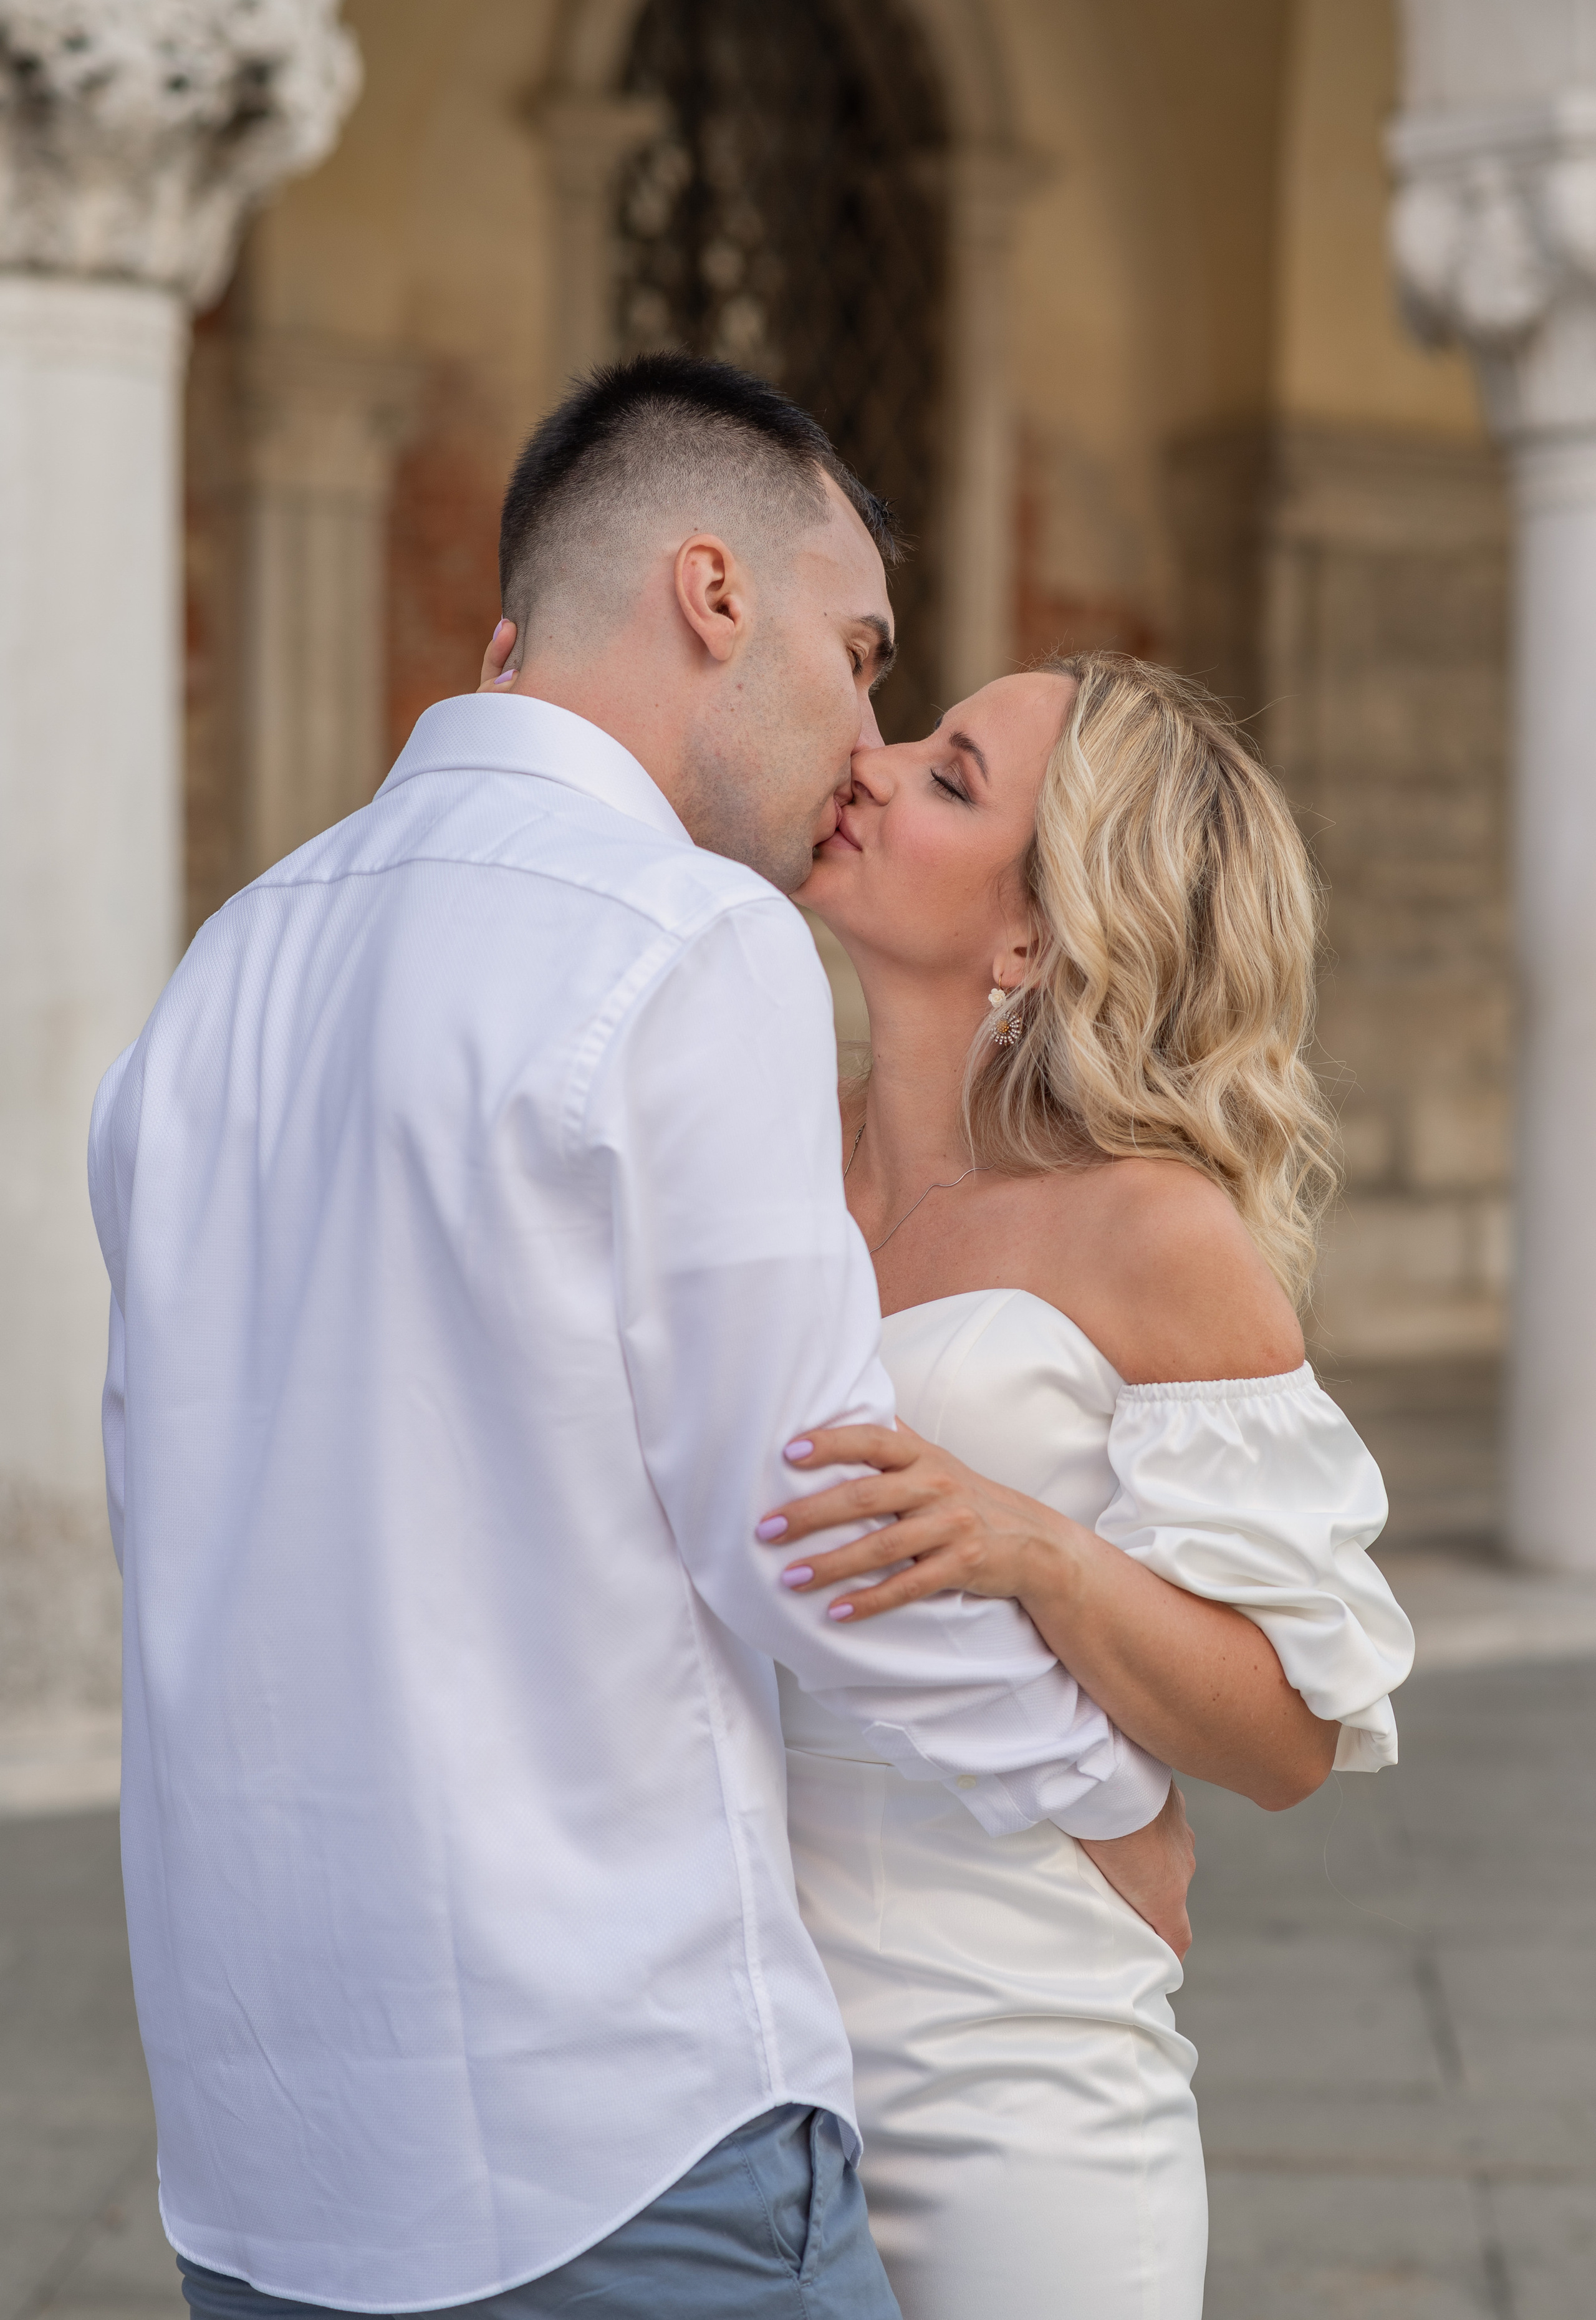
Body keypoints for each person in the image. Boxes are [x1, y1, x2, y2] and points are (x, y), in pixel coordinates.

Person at [87, 356, 1193, 2320]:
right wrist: (1105, 1786)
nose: (865, 738)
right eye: (859, 653)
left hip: (262, 2170)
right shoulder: (686, 938)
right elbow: (815, 1526)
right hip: (612, 2139)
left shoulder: (223, 966)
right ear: (713, 593)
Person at [744, 653, 1417, 2319]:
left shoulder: (1148, 1229)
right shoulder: (753, 1151)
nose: (872, 760)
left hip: (1017, 2075)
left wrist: (1032, 1548)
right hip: (727, 2057)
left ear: (1035, 936)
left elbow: (1288, 1738)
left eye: (951, 776)